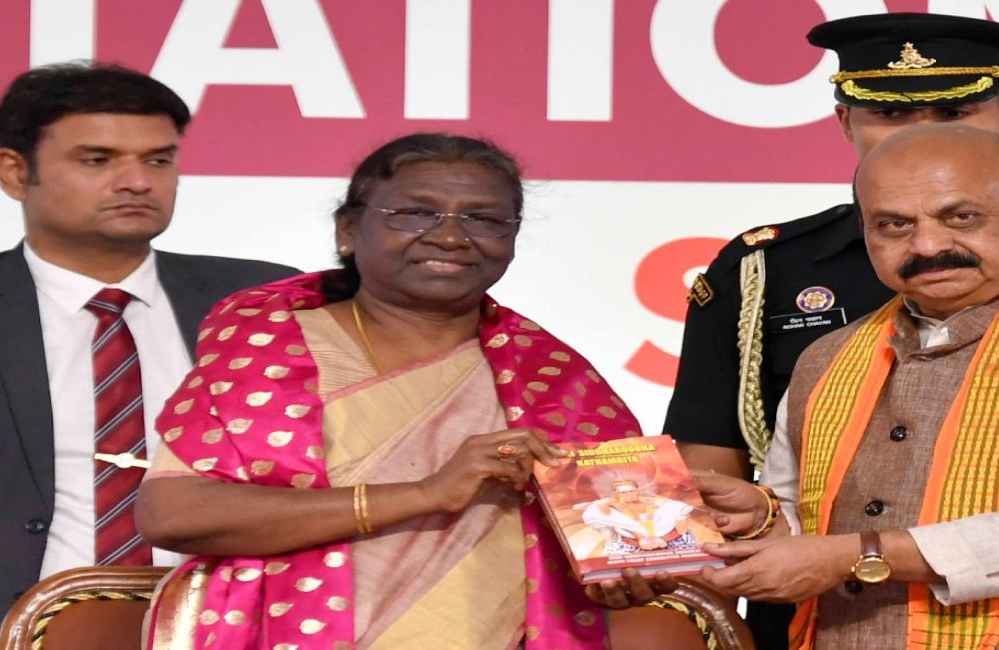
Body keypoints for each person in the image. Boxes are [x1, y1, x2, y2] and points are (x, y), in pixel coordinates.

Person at [665, 15, 999, 645]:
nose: (928, 246)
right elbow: (801, 518)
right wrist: (760, 520)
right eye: (893, 225)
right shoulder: (828, 355)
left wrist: (857, 555)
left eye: (962, 217)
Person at [136, 133, 669, 649]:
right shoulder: (269, 348)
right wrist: (425, 494)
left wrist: (632, 573)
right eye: (415, 213)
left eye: (483, 219)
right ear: (348, 230)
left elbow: (635, 548)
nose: (451, 237)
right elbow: (174, 514)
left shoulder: (552, 378)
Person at [0, 61, 297, 649]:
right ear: (15, 172)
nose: (138, 182)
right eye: (98, 160)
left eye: (159, 160)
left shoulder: (264, 303)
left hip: (239, 628)